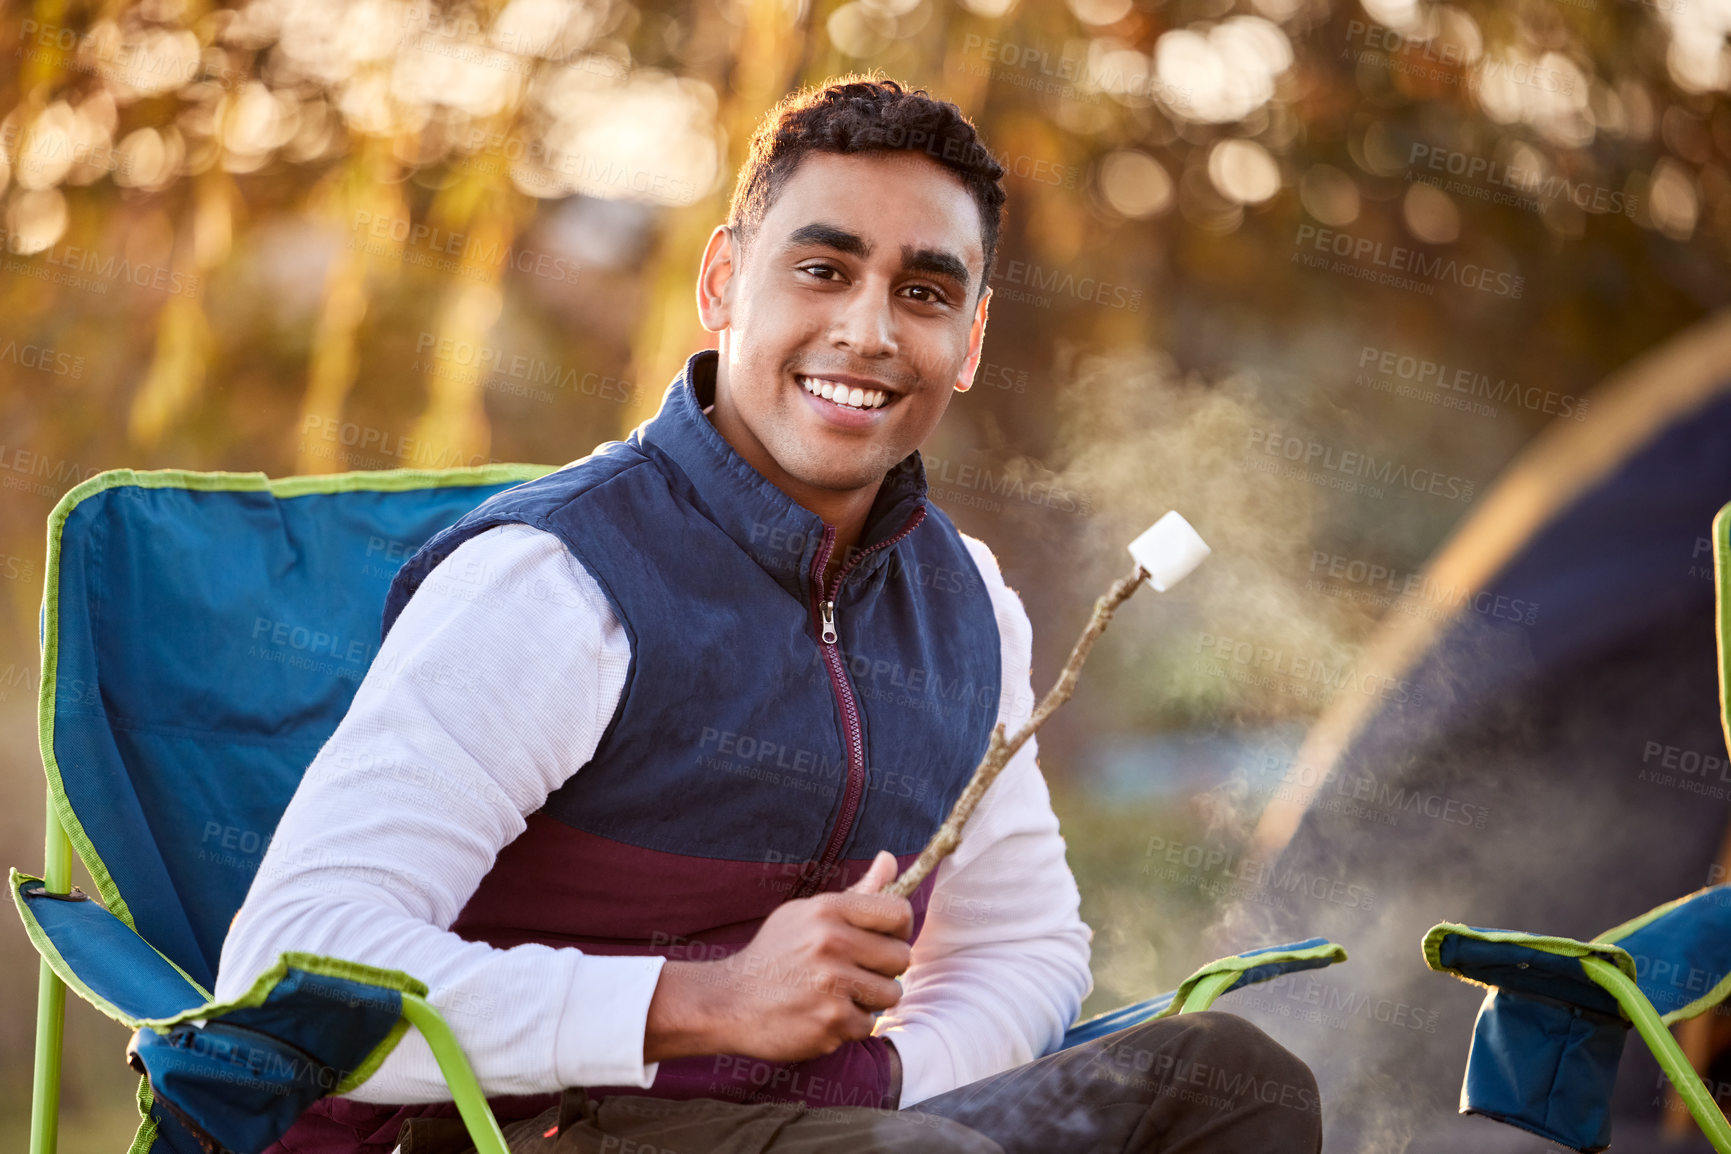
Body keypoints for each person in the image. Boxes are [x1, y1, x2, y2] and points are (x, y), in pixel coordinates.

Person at [218, 73, 1322, 1154]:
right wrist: (707, 1000)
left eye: (925, 292)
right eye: (823, 267)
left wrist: (892, 1080)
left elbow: (1021, 945)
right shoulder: (554, 580)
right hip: (511, 1122)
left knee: (1227, 1079)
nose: (870, 329)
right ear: (722, 284)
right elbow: (289, 968)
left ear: (971, 342)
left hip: (818, 1127)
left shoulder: (969, 601)